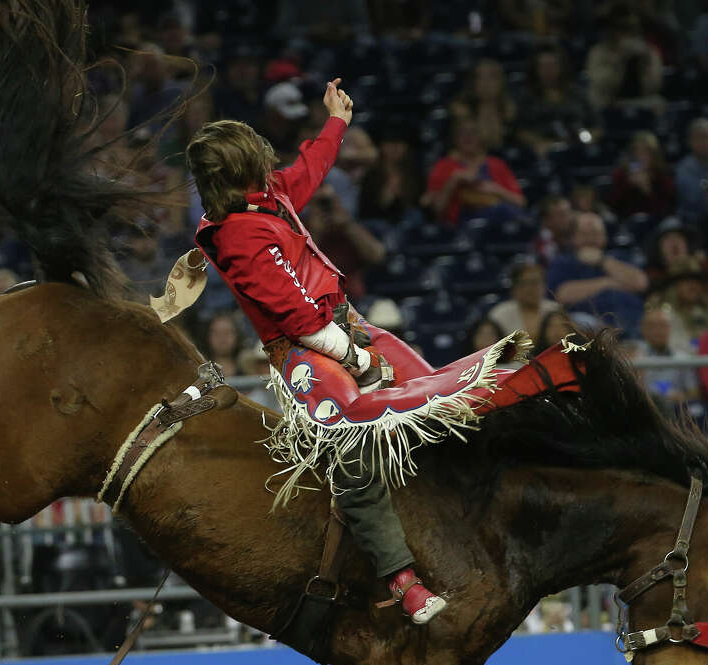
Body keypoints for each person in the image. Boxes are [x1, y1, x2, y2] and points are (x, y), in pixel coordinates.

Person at [185, 79, 447, 625]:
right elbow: (297, 317)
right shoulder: (237, 235)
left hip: (345, 325)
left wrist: (336, 124)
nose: (269, 161)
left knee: (437, 396)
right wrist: (355, 360)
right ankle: (400, 578)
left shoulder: (265, 199)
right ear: (239, 173)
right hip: (303, 352)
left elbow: (306, 171)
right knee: (351, 447)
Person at [547, 211, 647, 336]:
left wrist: (602, 261)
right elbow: (561, 295)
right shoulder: (564, 261)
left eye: (595, 233)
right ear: (573, 237)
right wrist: (608, 282)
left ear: (604, 236)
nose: (590, 238)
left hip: (632, 324)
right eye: (584, 234)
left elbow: (640, 283)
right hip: (588, 329)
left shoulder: (620, 257)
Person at [422, 117, 524, 227]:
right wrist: (453, 181)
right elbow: (436, 210)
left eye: (472, 133)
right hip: (459, 227)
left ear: (480, 137)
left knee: (504, 211)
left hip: (498, 220)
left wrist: (496, 189)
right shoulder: (444, 166)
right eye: (462, 133)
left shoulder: (496, 164)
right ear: (455, 139)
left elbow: (521, 202)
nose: (467, 137)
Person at [631, 303, 698, 413]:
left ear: (670, 328)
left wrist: (682, 398)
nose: (658, 330)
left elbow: (694, 393)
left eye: (663, 325)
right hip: (643, 409)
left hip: (677, 410)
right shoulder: (634, 356)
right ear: (643, 329)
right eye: (652, 326)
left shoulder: (683, 358)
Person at [607, 130, 676, 219]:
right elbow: (613, 206)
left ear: (654, 154)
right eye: (637, 151)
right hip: (627, 222)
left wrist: (647, 189)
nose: (641, 156)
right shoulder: (621, 173)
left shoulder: (663, 174)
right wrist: (627, 185)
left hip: (658, 222)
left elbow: (668, 209)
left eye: (646, 152)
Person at [488, 260, 560, 342]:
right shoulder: (500, 314)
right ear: (514, 288)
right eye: (525, 283)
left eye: (535, 282)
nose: (531, 289)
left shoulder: (555, 309)